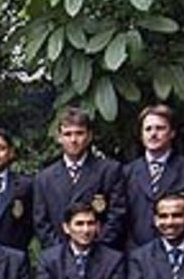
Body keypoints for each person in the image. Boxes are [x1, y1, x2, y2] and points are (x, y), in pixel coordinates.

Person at [33, 106, 127, 248]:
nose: (73, 140)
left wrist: (95, 250)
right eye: (68, 134)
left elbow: (117, 216)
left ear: (89, 136)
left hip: (101, 257)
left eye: (79, 133)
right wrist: (63, 255)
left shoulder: (110, 171)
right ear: (59, 138)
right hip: (59, 260)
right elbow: (41, 223)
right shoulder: (45, 178)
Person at [123, 104, 184, 246]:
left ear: (172, 133)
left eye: (160, 128)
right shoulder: (128, 172)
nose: (153, 134)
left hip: (181, 253)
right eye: (148, 129)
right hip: (136, 256)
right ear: (141, 135)